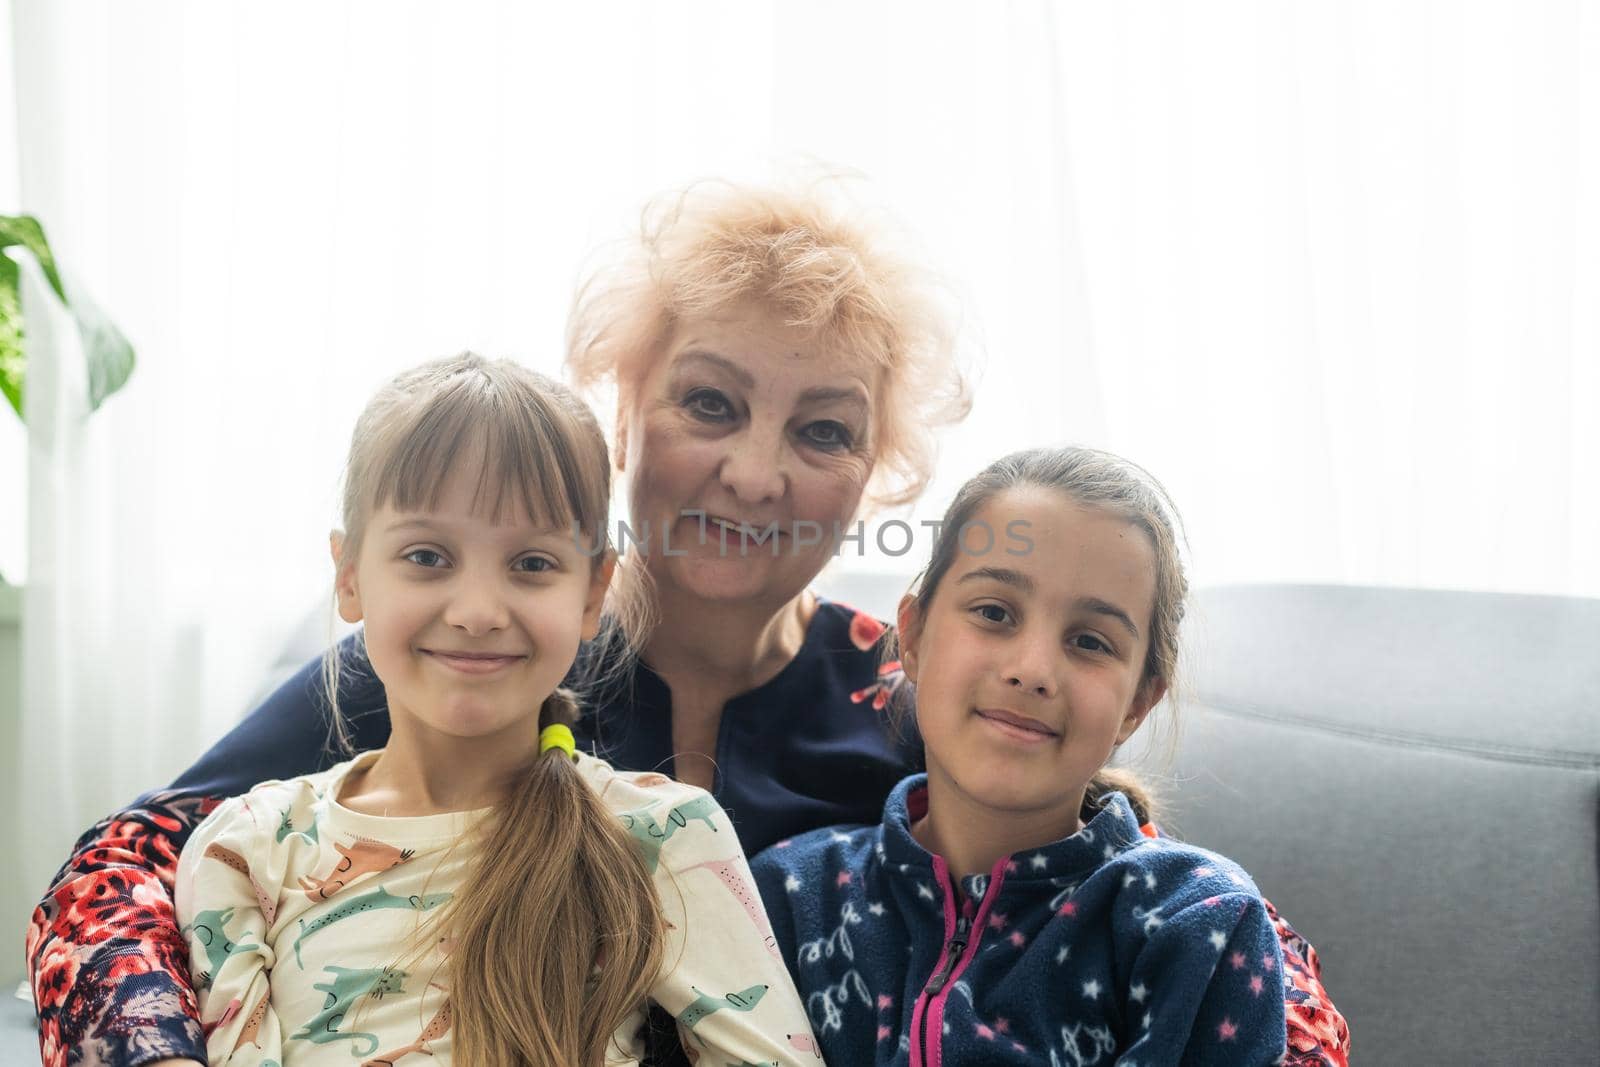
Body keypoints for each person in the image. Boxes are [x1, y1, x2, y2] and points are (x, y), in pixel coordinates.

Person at [27, 180, 1348, 1066]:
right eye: (711, 403)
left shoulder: (925, 686)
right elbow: (116, 870)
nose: (759, 472)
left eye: (821, 429)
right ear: (627, 406)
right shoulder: (472, 655)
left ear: (878, 468)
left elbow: (1176, 922)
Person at [174, 354, 816, 1066]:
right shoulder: (247, 845)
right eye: (427, 555)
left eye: (532, 564)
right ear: (349, 577)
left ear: (592, 593)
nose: (478, 612)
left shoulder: (662, 833)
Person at [752, 446, 1293, 1064]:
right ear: (916, 637)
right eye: (994, 612)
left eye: (1090, 641)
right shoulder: (790, 895)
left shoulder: (1198, 922)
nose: (1033, 670)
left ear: (1139, 702)